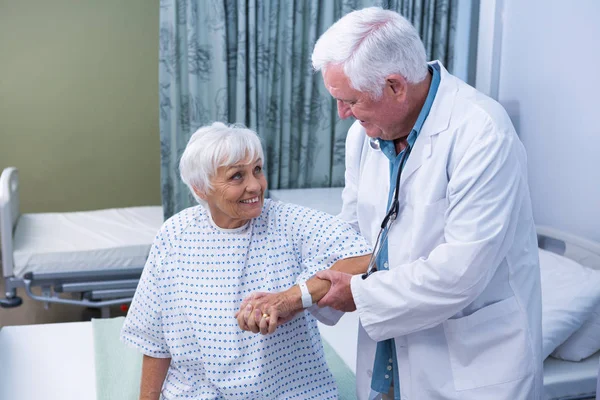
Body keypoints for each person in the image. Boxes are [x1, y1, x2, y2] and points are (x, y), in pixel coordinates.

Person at [239, 7, 543, 400]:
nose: (341, 113)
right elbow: (352, 240)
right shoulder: (362, 136)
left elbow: (462, 271)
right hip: (391, 358)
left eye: (350, 100)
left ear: (396, 86)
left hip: (474, 362)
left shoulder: (481, 132)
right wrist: (300, 295)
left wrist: (357, 294)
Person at [120, 122, 371, 399]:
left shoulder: (290, 222)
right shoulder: (174, 235)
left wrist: (293, 297)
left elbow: (364, 256)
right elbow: (155, 339)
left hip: (287, 392)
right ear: (201, 188)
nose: (255, 186)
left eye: (257, 170)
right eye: (237, 176)